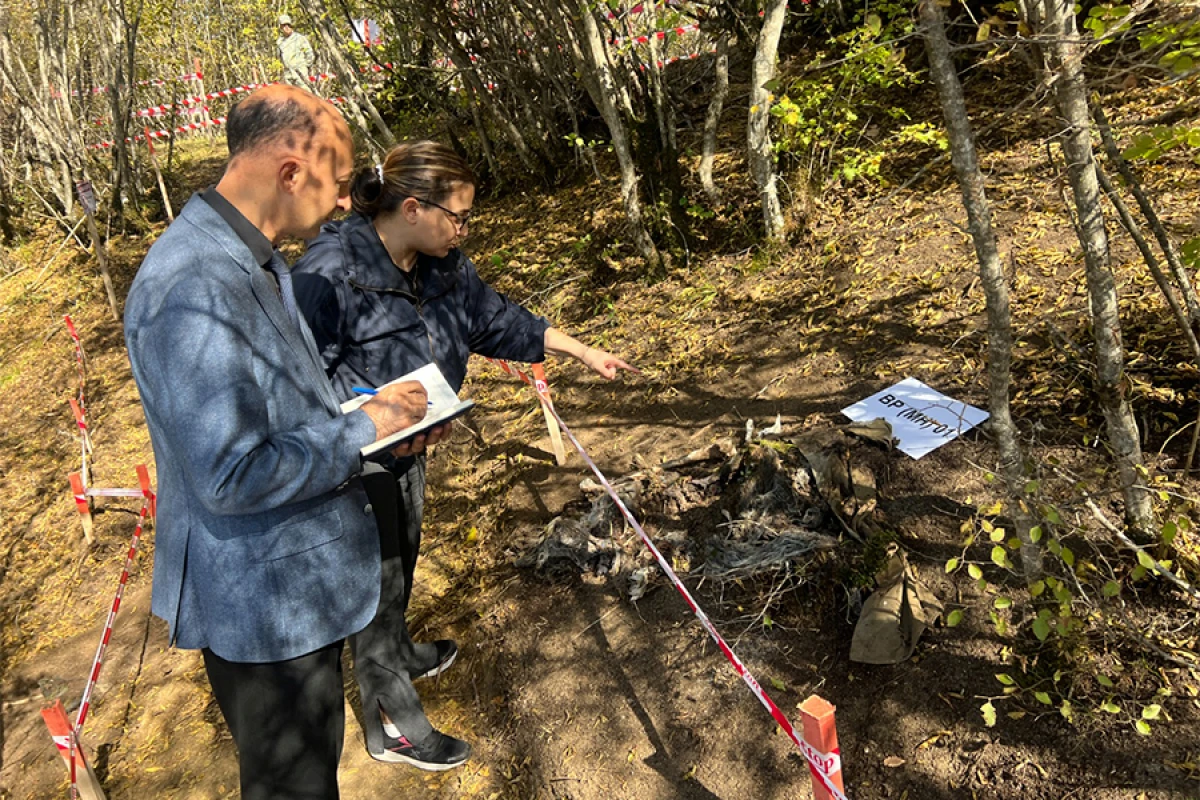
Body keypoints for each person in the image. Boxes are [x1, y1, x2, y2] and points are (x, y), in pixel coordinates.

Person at [123, 86, 452, 800]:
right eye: (340, 183)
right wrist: (364, 428)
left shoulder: (251, 258)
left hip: (294, 588)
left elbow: (279, 407)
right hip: (265, 606)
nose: (346, 203)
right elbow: (231, 472)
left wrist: (379, 424)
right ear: (291, 171)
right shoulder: (194, 286)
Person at [291, 140, 637, 766]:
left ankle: (398, 652)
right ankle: (393, 726)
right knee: (374, 588)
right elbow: (298, 380)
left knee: (400, 568)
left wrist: (583, 351)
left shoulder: (442, 265)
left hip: (411, 448)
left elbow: (497, 319)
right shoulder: (329, 272)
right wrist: (362, 421)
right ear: (414, 209)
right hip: (354, 466)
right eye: (459, 216)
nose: (465, 230)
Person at [277, 14, 315, 88]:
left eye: (288, 25)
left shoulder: (300, 38)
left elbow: (309, 54)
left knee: (305, 93)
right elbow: (279, 57)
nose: (287, 27)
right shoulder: (280, 42)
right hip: (288, 74)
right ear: (281, 27)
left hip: (301, 73)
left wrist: (304, 66)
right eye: (284, 25)